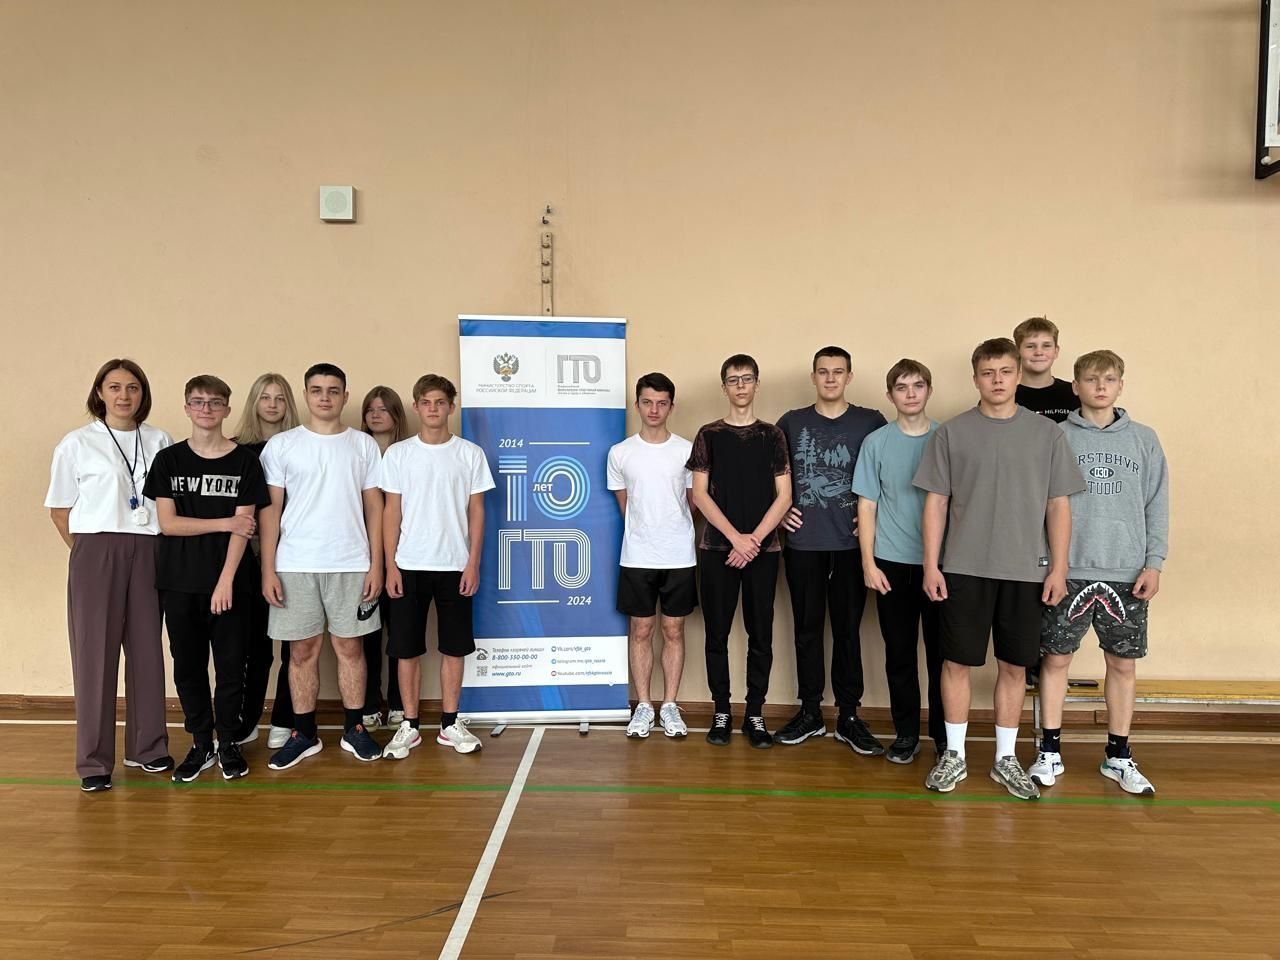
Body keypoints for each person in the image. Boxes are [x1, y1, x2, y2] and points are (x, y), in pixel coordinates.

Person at [915, 338, 1085, 799]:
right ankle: (954, 755)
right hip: (963, 568)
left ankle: (1005, 759)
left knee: (1014, 665)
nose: (997, 380)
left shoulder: (1047, 434)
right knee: (956, 662)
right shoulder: (951, 433)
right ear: (975, 379)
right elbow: (936, 503)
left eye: (1005, 372)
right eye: (988, 373)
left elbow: (1058, 505)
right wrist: (932, 565)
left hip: (1026, 571)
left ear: (1017, 376)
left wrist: (1058, 568)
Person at [1031, 350, 1169, 795]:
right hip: (1068, 569)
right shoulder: (1056, 436)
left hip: (1126, 570)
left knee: (1122, 664)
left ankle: (1118, 755)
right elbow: (1040, 502)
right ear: (1075, 387)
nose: (1101, 386)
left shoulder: (1144, 439)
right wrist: (1049, 564)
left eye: (1109, 379)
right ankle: (1049, 751)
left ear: (1121, 385)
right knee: (1055, 660)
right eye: (1091, 379)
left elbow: (1157, 503)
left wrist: (1154, 562)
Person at [45, 359, 173, 792]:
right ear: (99, 392)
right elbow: (60, 511)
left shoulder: (159, 440)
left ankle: (148, 747)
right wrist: (90, 556)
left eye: (133, 387)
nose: (124, 395)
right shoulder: (77, 443)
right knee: (94, 654)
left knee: (147, 651)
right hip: (97, 549)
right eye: (114, 387)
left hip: (149, 548)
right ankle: (94, 761)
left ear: (143, 393)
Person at [143, 375, 270, 781]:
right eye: (198, 402)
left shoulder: (245, 461)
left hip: (231, 583)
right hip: (180, 582)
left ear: (227, 409)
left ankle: (228, 742)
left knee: (232, 667)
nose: (206, 409)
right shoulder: (169, 460)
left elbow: (245, 526)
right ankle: (201, 743)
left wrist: (226, 580)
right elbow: (168, 524)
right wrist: (224, 522)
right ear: (186, 408)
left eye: (215, 402)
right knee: (189, 667)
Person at [259, 363, 385, 769]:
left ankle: (355, 729)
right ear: (306, 395)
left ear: (345, 396)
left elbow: (374, 507)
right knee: (301, 652)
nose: (325, 397)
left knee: (350, 648)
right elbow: (270, 511)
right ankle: (304, 734)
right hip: (295, 564)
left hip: (351, 563)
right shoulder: (282, 446)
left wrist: (377, 564)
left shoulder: (363, 445)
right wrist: (268, 569)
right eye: (317, 390)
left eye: (333, 390)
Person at [774, 346, 886, 753]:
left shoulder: (871, 422)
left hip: (852, 546)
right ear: (813, 377)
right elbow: (772, 475)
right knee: (806, 629)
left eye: (838, 372)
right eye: (823, 372)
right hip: (804, 544)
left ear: (849, 377)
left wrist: (876, 520)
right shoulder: (791, 422)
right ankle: (810, 712)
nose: (831, 378)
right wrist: (780, 512)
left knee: (847, 631)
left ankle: (849, 716)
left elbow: (889, 476)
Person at [380, 375, 494, 760]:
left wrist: (472, 563)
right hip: (408, 565)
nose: (433, 408)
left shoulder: (470, 454)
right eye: (426, 402)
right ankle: (409, 725)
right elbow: (391, 512)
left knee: (454, 648)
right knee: (406, 649)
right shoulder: (398, 455)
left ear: (451, 407)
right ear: (416, 407)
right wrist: (391, 566)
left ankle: (449, 724)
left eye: (440, 402)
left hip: (455, 565)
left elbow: (477, 511)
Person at [687, 354, 792, 748]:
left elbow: (784, 497)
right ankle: (721, 710)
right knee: (716, 633)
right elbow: (700, 494)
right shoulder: (709, 434)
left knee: (760, 633)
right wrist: (736, 539)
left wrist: (754, 541)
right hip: (719, 549)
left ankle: (754, 713)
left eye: (747, 379)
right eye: (733, 380)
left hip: (763, 551)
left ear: (757, 384)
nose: (741, 386)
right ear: (724, 387)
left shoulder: (772, 435)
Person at [852, 359, 945, 763]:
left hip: (940, 565)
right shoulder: (876, 443)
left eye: (918, 385)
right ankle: (906, 734)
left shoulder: (947, 438)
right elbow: (867, 506)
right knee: (900, 655)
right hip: (891, 563)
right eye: (902, 387)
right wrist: (868, 564)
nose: (910, 393)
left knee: (942, 657)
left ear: (929, 391)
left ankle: (945, 739)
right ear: (890, 395)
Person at [607, 373, 697, 739]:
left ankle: (670, 705)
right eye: (647, 402)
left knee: (673, 630)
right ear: (637, 405)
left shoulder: (687, 451)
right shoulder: (620, 453)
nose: (654, 409)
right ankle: (643, 706)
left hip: (679, 556)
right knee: (641, 630)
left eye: (661, 403)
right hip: (637, 556)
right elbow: (625, 505)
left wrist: (671, 527)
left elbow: (694, 504)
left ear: (671, 406)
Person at [233, 373, 301, 750]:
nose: (272, 405)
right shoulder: (235, 449)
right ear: (254, 402)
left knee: (294, 645)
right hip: (246, 556)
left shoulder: (301, 446)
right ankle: (247, 719)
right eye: (265, 397)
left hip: (292, 555)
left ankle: (285, 719)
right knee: (254, 646)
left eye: (279, 398)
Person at [359, 386, 411, 731]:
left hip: (402, 556)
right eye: (370, 409)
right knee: (366, 635)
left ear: (396, 414)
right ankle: (368, 703)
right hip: (360, 555)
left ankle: (397, 702)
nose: (376, 415)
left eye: (383, 409)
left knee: (399, 634)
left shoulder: (409, 453)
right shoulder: (355, 452)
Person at [1013, 316, 1078, 423]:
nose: (1039, 352)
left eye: (1046, 346)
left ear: (1056, 351)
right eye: (1030, 346)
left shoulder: (1075, 393)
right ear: (1017, 352)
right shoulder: (1006, 395)